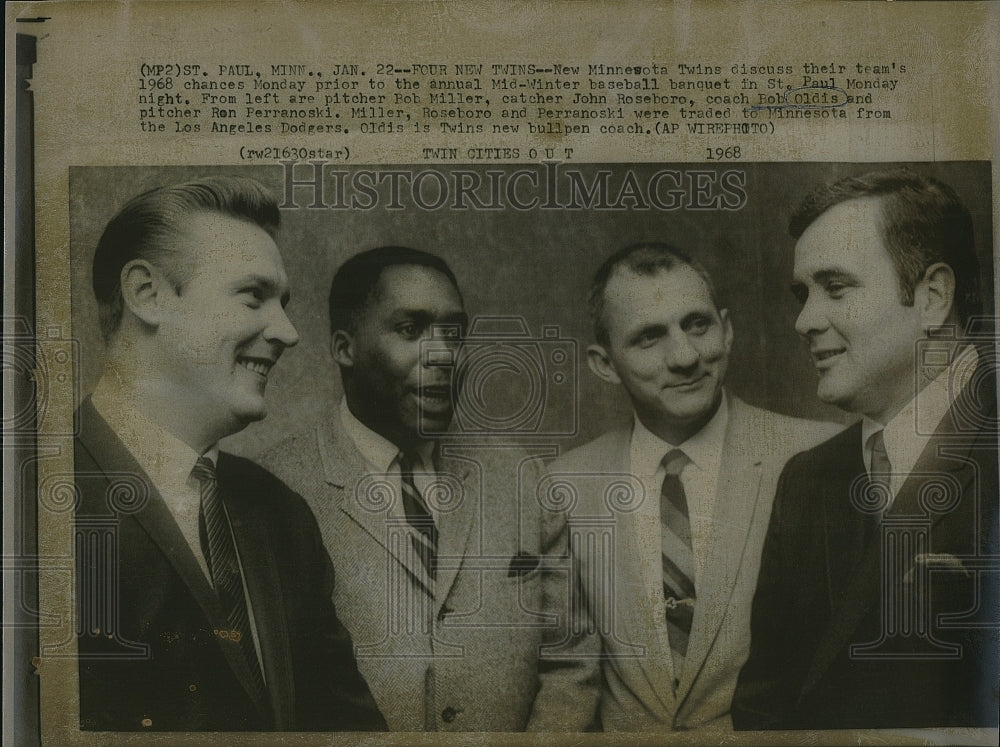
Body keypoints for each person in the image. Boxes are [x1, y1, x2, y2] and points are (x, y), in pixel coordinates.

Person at [74, 176, 386, 732]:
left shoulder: (281, 515)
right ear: (146, 294)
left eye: (284, 304)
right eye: (252, 296)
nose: (288, 333)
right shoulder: (30, 500)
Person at [527, 242, 838, 732]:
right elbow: (566, 672)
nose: (686, 356)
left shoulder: (819, 458)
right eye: (649, 338)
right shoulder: (563, 486)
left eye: (698, 325)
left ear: (727, 330)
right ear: (603, 364)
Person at [732, 168, 999, 729]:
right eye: (803, 295)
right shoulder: (806, 478)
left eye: (836, 287)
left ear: (932, 297)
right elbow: (764, 705)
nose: (805, 321)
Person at [262, 246, 550, 731]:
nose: (443, 355)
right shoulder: (274, 490)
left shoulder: (521, 476)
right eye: (410, 330)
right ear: (343, 348)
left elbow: (571, 663)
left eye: (454, 334)